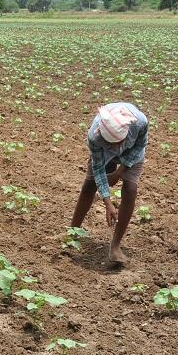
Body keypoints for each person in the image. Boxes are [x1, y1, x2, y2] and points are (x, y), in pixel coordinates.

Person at [70, 103, 148, 265]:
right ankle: (71, 232)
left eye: (118, 143)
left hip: (133, 152)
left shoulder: (139, 123)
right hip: (102, 154)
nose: (115, 148)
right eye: (110, 143)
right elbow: (98, 169)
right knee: (89, 185)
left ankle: (115, 246)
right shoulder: (95, 137)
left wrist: (119, 173)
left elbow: (140, 146)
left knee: (131, 188)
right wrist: (108, 202)